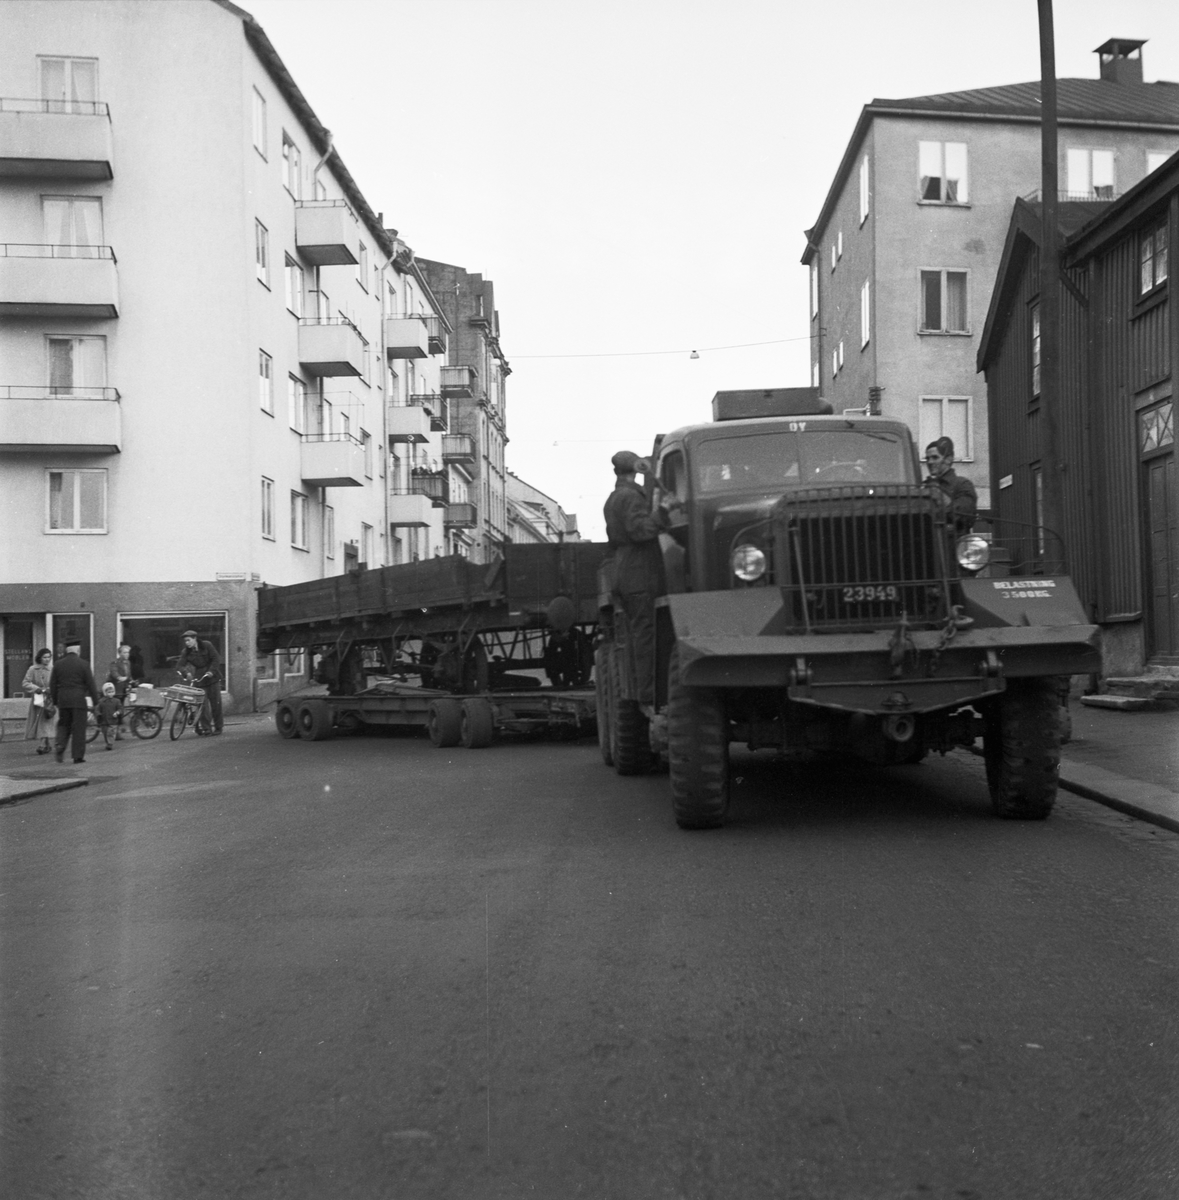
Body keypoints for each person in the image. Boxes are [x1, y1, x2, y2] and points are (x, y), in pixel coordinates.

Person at [603, 449, 672, 704]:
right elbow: (641, 531)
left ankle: (641, 695)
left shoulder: (614, 497)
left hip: (624, 571)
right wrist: (663, 510)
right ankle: (649, 696)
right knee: (645, 637)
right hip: (638, 572)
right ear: (636, 469)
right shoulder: (631, 497)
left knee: (637, 636)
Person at [48, 640, 99, 764]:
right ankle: (77, 756)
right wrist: (96, 701)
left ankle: (60, 745)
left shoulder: (58, 664)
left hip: (63, 700)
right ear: (77, 650)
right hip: (78, 700)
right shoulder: (84, 664)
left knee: (64, 724)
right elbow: (91, 684)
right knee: (79, 728)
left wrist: (55, 701)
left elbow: (52, 684)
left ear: (67, 650)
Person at [924, 437, 978, 535]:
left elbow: (965, 516)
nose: (930, 462)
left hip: (953, 542)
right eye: (927, 458)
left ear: (948, 459)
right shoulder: (924, 486)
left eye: (935, 457)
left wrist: (939, 496)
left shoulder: (963, 484)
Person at [176, 630, 223, 733]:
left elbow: (216, 659)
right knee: (202, 705)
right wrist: (186, 673)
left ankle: (218, 727)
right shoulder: (186, 652)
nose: (187, 643)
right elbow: (179, 665)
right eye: (185, 641)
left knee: (216, 704)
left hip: (212, 678)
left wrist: (211, 671)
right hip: (200, 679)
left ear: (195, 639)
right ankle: (206, 728)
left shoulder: (207, 645)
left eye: (188, 640)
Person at [22, 648, 56, 755]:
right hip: (38, 699)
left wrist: (51, 689)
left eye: (49, 657)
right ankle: (45, 744)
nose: (47, 659)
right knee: (41, 721)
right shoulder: (33, 669)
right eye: (44, 657)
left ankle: (43, 744)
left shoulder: (53, 669)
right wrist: (36, 688)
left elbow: (57, 683)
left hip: (49, 699)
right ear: (40, 658)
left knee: (46, 720)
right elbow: (25, 683)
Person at [106, 642, 134, 738]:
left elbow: (128, 675)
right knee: (116, 709)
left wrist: (132, 681)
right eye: (125, 652)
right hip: (115, 690)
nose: (127, 654)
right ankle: (115, 732)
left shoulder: (128, 663)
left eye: (128, 652)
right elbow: (114, 673)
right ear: (120, 653)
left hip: (123, 690)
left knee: (121, 708)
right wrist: (120, 678)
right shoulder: (115, 663)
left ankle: (118, 728)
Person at [95, 682, 122, 750]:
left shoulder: (117, 701)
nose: (111, 693)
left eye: (112, 692)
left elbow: (120, 708)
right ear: (105, 693)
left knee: (111, 732)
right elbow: (97, 709)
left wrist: (117, 712)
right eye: (109, 692)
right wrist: (98, 714)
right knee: (105, 733)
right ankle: (108, 743)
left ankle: (110, 744)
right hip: (104, 721)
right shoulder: (101, 701)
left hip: (113, 720)